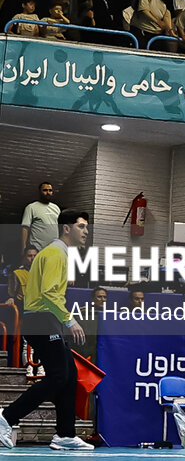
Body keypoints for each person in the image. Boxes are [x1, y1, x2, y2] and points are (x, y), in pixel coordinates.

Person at [0, 210, 93, 451]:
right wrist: (69, 320)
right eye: (81, 226)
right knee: (59, 376)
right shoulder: (55, 253)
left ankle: (65, 434)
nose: (86, 231)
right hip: (41, 320)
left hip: (46, 320)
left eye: (86, 227)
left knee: (69, 375)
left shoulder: (58, 252)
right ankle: (6, 417)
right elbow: (49, 293)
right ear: (66, 228)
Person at [21, 182, 60, 253]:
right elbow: (25, 228)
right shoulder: (31, 207)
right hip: (37, 249)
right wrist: (23, 248)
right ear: (40, 192)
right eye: (45, 190)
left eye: (50, 190)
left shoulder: (56, 208)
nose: (48, 192)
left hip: (53, 249)